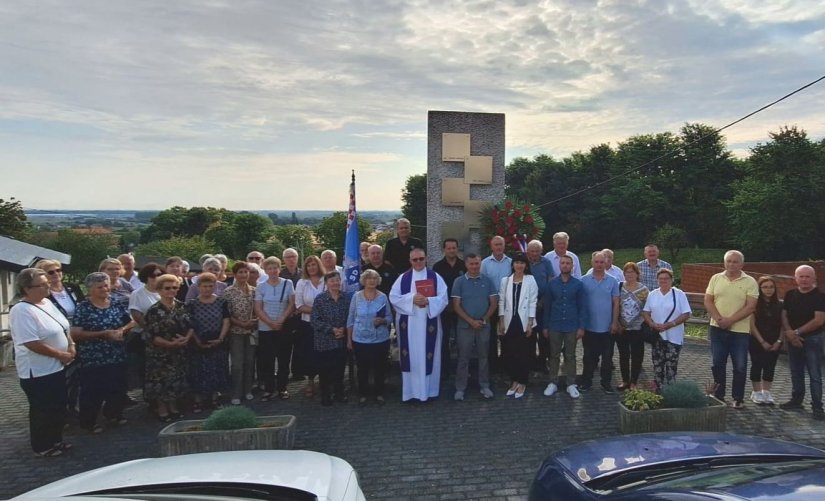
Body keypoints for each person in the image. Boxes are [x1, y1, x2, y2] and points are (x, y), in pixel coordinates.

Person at [10, 268, 74, 457]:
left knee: (58, 405)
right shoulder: (21, 310)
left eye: (47, 284)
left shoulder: (46, 302)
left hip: (58, 366)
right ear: (27, 288)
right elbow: (31, 343)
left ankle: (56, 439)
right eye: (42, 285)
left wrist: (71, 345)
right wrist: (59, 354)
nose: (48, 287)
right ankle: (42, 446)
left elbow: (64, 326)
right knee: (43, 409)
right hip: (38, 370)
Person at [71, 272, 134, 433]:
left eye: (106, 286)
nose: (105, 289)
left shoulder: (115, 302)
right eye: (100, 287)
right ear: (90, 289)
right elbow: (76, 333)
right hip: (93, 358)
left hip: (116, 354)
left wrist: (121, 330)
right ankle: (89, 422)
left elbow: (130, 321)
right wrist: (103, 334)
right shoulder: (83, 307)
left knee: (118, 387)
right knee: (93, 391)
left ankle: (114, 414)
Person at [389, 247, 449, 402]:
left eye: (421, 259)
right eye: (415, 259)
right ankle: (411, 393)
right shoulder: (403, 278)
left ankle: (430, 392)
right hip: (409, 327)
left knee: (430, 356)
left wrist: (428, 300)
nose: (418, 262)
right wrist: (411, 299)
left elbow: (443, 298)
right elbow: (393, 297)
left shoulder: (435, 277)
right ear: (410, 261)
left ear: (426, 259)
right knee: (412, 358)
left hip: (430, 324)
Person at [704, 250, 758, 408]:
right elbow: (708, 300)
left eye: (735, 262)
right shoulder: (716, 278)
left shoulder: (750, 281)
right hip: (717, 328)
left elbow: (750, 307)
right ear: (724, 263)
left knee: (740, 366)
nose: (732, 264)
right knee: (717, 364)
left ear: (742, 264)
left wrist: (729, 320)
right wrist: (719, 319)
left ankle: (738, 398)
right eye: (729, 261)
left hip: (739, 331)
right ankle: (719, 396)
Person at [35, 259, 84, 415]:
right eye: (51, 272)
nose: (56, 274)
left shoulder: (73, 288)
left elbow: (83, 307)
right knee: (64, 378)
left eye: (59, 270)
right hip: (59, 340)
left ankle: (75, 407)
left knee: (79, 377)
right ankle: (62, 412)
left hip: (79, 337)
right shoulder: (44, 296)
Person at [143, 274, 192, 422]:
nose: (171, 291)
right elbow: (152, 335)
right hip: (160, 353)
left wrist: (187, 338)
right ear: (159, 290)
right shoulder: (153, 311)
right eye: (167, 288)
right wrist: (170, 344)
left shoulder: (182, 306)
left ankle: (174, 407)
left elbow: (191, 326)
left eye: (175, 288)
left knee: (176, 381)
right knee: (161, 382)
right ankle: (162, 410)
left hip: (180, 351)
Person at [779, 265, 825, 420]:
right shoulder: (790, 294)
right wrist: (790, 334)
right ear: (795, 278)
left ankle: (817, 406)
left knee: (814, 374)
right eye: (801, 276)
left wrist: (796, 332)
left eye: (807, 276)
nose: (804, 279)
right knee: (796, 371)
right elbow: (784, 315)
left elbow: (818, 320)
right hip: (793, 338)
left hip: (813, 339)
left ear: (814, 279)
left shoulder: (820, 296)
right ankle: (797, 400)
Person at [451, 253, 498, 400]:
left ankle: (484, 386)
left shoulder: (488, 281)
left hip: (483, 325)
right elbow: (456, 306)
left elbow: (494, 303)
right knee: (463, 358)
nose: (474, 267)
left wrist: (484, 319)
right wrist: (471, 321)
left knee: (484, 357)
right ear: (466, 265)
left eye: (477, 264)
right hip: (465, 327)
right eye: (471, 264)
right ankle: (460, 388)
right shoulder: (459, 282)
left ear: (480, 264)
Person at [347, 269, 393, 406]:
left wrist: (383, 321)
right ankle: (363, 394)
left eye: (374, 278)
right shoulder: (356, 297)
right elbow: (350, 318)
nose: (372, 281)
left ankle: (379, 393)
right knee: (362, 368)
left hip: (380, 339)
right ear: (364, 281)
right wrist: (349, 339)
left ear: (378, 281)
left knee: (380, 368)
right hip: (360, 339)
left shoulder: (383, 297)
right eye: (369, 278)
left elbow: (390, 317)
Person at [542, 255, 586, 399]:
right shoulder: (552, 284)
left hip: (572, 325)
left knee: (570, 355)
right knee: (553, 355)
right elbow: (547, 307)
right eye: (563, 263)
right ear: (559, 265)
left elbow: (582, 307)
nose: (565, 265)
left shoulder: (578, 285)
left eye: (568, 263)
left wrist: (581, 327)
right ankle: (553, 382)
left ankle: (571, 384)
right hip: (554, 324)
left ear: (572, 266)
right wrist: (545, 326)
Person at [185, 272, 230, 412]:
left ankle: (215, 398)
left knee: (217, 369)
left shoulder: (221, 302)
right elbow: (190, 325)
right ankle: (198, 400)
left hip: (218, 340)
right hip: (198, 342)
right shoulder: (192, 304)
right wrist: (197, 341)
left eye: (210, 286)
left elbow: (226, 320)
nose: (207, 289)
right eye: (204, 286)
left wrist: (221, 338)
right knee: (199, 371)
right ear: (198, 287)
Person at [254, 256, 295, 401]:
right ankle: (269, 389)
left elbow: (291, 304)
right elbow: (258, 308)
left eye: (275, 268)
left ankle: (282, 388)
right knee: (267, 360)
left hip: (283, 326)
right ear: (265, 270)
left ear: (279, 269)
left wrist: (281, 320)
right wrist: (270, 322)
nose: (272, 271)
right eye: (269, 268)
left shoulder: (288, 283)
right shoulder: (261, 286)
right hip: (266, 328)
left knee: (284, 359)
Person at [642, 269, 692, 390]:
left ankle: (671, 391)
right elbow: (645, 312)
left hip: (673, 336)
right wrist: (652, 324)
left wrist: (671, 323)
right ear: (657, 280)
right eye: (661, 278)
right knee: (657, 364)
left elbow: (686, 313)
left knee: (671, 365)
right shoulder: (653, 294)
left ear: (672, 280)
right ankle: (658, 389)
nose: (663, 281)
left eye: (666, 278)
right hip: (657, 335)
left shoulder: (679, 294)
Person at [498, 253, 538, 398]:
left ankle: (522, 382)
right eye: (516, 263)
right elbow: (501, 301)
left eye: (522, 263)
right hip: (509, 322)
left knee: (524, 354)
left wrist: (529, 323)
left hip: (524, 322)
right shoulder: (506, 281)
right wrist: (501, 321)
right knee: (511, 353)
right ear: (513, 265)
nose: (519, 266)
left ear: (526, 265)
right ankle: (514, 381)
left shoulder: (530, 280)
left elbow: (533, 302)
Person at [580, 251, 620, 393]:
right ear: (592, 263)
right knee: (588, 357)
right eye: (596, 262)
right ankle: (586, 382)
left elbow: (616, 303)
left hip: (607, 327)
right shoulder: (583, 280)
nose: (599, 265)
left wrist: (614, 322)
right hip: (589, 327)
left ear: (606, 263)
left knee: (607, 358)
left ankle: (606, 383)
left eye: (601, 262)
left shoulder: (613, 281)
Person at [311, 271, 352, 406]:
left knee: (339, 370)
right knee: (325, 371)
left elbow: (351, 317)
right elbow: (315, 320)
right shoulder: (320, 299)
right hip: (324, 341)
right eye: (332, 281)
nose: (335, 283)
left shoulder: (346, 298)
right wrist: (332, 330)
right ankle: (326, 395)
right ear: (326, 283)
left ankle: (339, 394)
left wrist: (343, 330)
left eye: (337, 280)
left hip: (341, 340)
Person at [223, 261, 257, 405]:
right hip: (236, 331)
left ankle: (248, 390)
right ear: (235, 274)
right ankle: (236, 393)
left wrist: (253, 321)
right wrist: (242, 323)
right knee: (237, 364)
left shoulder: (254, 290)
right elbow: (227, 314)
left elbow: (258, 309)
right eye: (240, 272)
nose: (243, 275)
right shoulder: (228, 292)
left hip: (251, 332)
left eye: (246, 272)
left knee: (250, 362)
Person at [432, 238, 466, 378]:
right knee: (443, 339)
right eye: (449, 248)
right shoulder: (437, 267)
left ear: (457, 248)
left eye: (454, 248)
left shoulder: (464, 265)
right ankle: (444, 369)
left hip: (462, 309)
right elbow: (435, 289)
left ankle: (462, 370)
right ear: (444, 249)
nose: (452, 250)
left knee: (462, 340)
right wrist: (445, 304)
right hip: (444, 309)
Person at [127, 263, 164, 392]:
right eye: (153, 275)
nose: (157, 277)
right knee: (148, 370)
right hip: (146, 337)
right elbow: (136, 314)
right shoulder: (138, 293)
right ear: (146, 277)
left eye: (160, 275)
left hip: (166, 337)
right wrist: (153, 331)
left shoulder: (165, 291)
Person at [294, 255, 326, 397]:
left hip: (326, 324)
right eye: (309, 265)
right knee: (310, 354)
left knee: (325, 353)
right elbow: (299, 305)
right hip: (308, 324)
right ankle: (310, 381)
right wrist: (318, 310)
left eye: (314, 264)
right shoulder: (302, 283)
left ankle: (325, 381)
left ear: (319, 265)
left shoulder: (326, 280)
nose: (312, 267)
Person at [749, 276, 782, 405]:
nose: (768, 290)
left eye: (771, 287)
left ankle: (766, 392)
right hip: (757, 340)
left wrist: (779, 341)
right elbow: (752, 325)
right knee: (757, 364)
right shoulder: (755, 304)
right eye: (765, 287)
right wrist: (762, 341)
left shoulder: (780, 305)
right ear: (759, 288)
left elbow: (783, 325)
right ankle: (756, 392)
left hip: (775, 341)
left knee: (770, 366)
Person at [615, 262, 648, 390]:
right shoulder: (619, 287)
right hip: (621, 328)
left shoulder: (643, 290)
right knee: (623, 355)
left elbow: (647, 309)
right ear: (624, 274)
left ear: (637, 274)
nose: (629, 275)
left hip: (637, 328)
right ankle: (625, 380)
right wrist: (617, 323)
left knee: (637, 355)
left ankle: (634, 381)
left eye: (632, 272)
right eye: (627, 272)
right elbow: (615, 306)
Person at [482, 235, 512, 371]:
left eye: (501, 244)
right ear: (491, 246)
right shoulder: (485, 263)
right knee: (491, 337)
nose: (499, 247)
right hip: (490, 304)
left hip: (507, 305)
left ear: (504, 246)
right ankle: (493, 366)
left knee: (506, 336)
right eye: (496, 245)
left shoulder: (510, 262)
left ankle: (506, 364)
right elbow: (482, 283)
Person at [526, 240, 554, 373]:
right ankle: (530, 362)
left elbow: (550, 281)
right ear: (528, 251)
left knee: (544, 335)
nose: (535, 253)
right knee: (529, 335)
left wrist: (542, 301)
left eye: (537, 251)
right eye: (532, 251)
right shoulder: (524, 262)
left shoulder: (546, 262)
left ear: (541, 251)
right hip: (527, 305)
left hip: (543, 304)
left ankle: (544, 362)